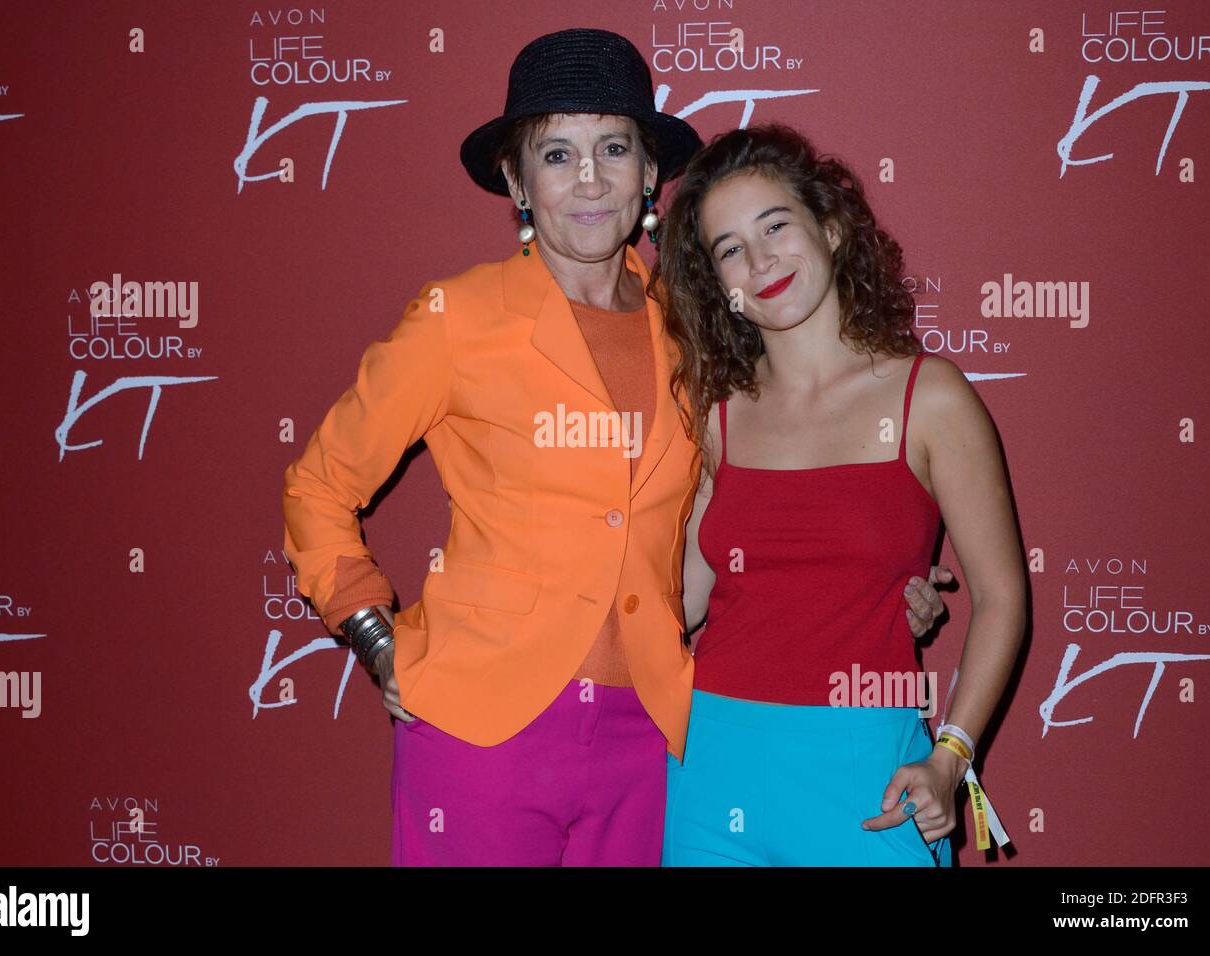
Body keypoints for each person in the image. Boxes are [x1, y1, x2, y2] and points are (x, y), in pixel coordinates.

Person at [282, 30, 948, 867]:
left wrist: (880, 577)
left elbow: (767, 481)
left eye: (613, 148)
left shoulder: (694, 326)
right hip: (480, 725)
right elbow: (317, 488)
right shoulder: (458, 320)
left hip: (649, 739)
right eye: (557, 154)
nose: (590, 179)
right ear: (518, 181)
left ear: (647, 175)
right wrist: (374, 636)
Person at [654, 124, 1026, 866]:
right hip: (711, 765)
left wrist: (950, 756)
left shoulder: (931, 396)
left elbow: (1003, 597)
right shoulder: (716, 414)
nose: (759, 262)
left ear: (829, 227)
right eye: (730, 249)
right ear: (716, 284)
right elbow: (681, 602)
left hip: (870, 782)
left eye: (775, 226)